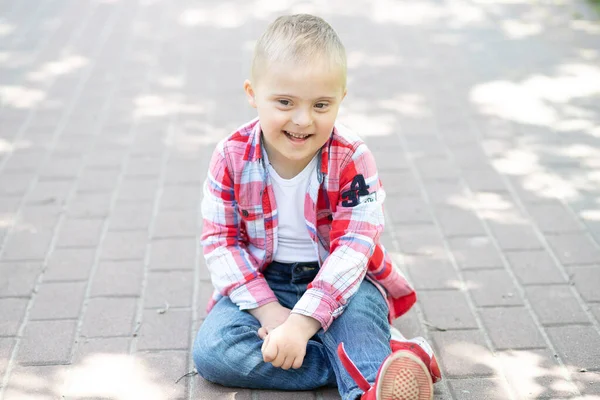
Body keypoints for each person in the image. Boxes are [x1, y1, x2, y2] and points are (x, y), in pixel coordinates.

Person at [192, 13, 441, 400]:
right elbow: (220, 241)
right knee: (214, 351)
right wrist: (272, 314)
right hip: (265, 280)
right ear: (252, 93)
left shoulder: (352, 157)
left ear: (341, 99)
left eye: (321, 104)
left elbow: (354, 249)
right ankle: (377, 361)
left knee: (357, 321)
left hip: (342, 282)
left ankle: (370, 387)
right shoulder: (231, 156)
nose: (303, 119)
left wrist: (304, 322)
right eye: (285, 102)